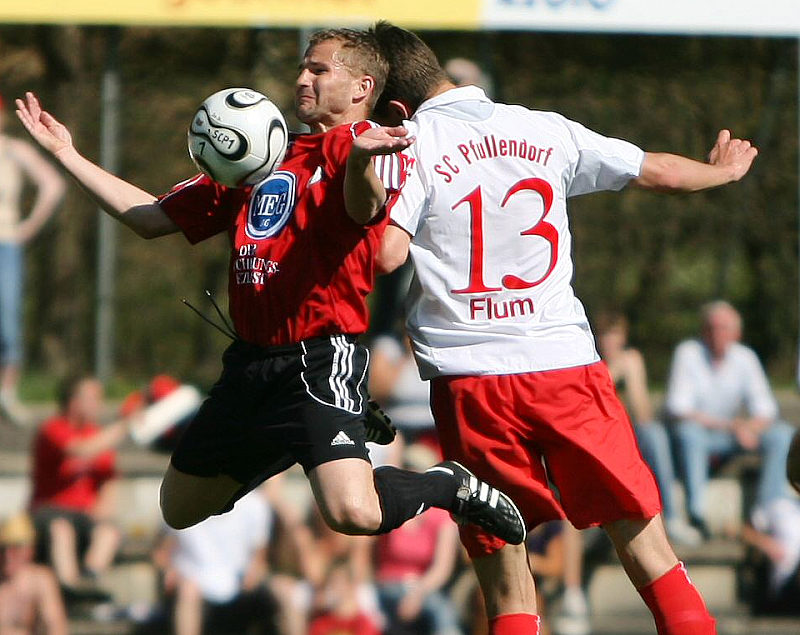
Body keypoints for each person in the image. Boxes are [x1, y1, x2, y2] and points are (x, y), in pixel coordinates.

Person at [14, 29, 524, 549]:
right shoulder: (263, 153)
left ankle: (446, 482)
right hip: (250, 363)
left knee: (351, 512)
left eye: (320, 70)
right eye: (303, 67)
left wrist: (361, 163)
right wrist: (66, 153)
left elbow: (365, 213)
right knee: (180, 507)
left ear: (360, 86)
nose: (303, 77)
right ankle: (297, 436)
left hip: (319, 357)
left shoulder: (373, 146)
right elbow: (150, 218)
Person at [364, 21, 760, 635]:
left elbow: (387, 254)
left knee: (506, 575)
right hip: (564, 367)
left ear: (392, 104)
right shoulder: (545, 128)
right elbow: (661, 172)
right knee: (645, 543)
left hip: (473, 381)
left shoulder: (405, 144)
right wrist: (722, 172)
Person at [665, 300, 795, 538]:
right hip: (701, 437)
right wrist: (733, 426)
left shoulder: (745, 358)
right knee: (689, 433)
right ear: (703, 330)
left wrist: (748, 428)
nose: (717, 334)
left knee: (782, 434)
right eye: (712, 328)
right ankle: (697, 512)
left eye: (724, 328)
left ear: (737, 333)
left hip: (733, 437)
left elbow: (766, 409)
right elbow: (678, 407)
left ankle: (767, 508)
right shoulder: (688, 353)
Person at [595, 312, 702, 546]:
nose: (609, 341)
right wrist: (611, 376)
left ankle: (672, 516)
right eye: (605, 335)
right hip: (603, 438)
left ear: (623, 337)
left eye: (615, 335)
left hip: (631, 434)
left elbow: (643, 415)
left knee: (654, 434)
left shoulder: (630, 360)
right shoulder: (590, 364)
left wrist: (631, 378)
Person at [29, 375, 130, 594]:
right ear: (74, 401)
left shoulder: (97, 434)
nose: (99, 405)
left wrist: (104, 509)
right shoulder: (53, 428)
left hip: (85, 516)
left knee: (109, 532)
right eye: (94, 398)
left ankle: (90, 580)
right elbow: (81, 449)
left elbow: (108, 480)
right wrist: (124, 426)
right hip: (49, 512)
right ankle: (70, 586)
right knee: (61, 528)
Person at [0, 93, 65, 426]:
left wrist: (28, 227)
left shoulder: (13, 150)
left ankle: (7, 393)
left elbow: (52, 185)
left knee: (8, 320)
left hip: (5, 243)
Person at [152, 489, 276, 635]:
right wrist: (170, 571)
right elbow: (162, 553)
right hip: (193, 579)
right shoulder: (183, 502)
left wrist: (252, 575)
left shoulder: (255, 504)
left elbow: (259, 558)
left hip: (239, 581)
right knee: (188, 591)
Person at [0, 512, 68, 635]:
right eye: (3, 548)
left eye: (16, 548)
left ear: (29, 550)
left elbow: (55, 626)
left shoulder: (39, 580)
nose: (8, 555)